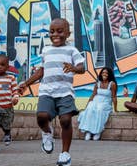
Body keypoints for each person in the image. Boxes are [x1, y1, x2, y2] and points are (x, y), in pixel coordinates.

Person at [19, 18, 85, 166]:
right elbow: (41, 71)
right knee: (42, 117)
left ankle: (65, 154)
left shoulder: (72, 50)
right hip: (46, 91)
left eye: (60, 31)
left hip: (65, 92)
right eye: (52, 31)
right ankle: (47, 133)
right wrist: (26, 84)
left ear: (68, 33)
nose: (55, 34)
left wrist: (74, 68)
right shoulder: (45, 50)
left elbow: (82, 68)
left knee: (65, 120)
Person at [78, 67, 118, 141]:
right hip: (96, 101)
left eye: (106, 73)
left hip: (106, 103)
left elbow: (114, 97)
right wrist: (86, 106)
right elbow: (93, 95)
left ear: (109, 75)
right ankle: (89, 132)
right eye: (103, 73)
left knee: (100, 109)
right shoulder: (97, 83)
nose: (104, 74)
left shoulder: (112, 84)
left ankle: (97, 132)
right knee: (90, 109)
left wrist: (115, 109)